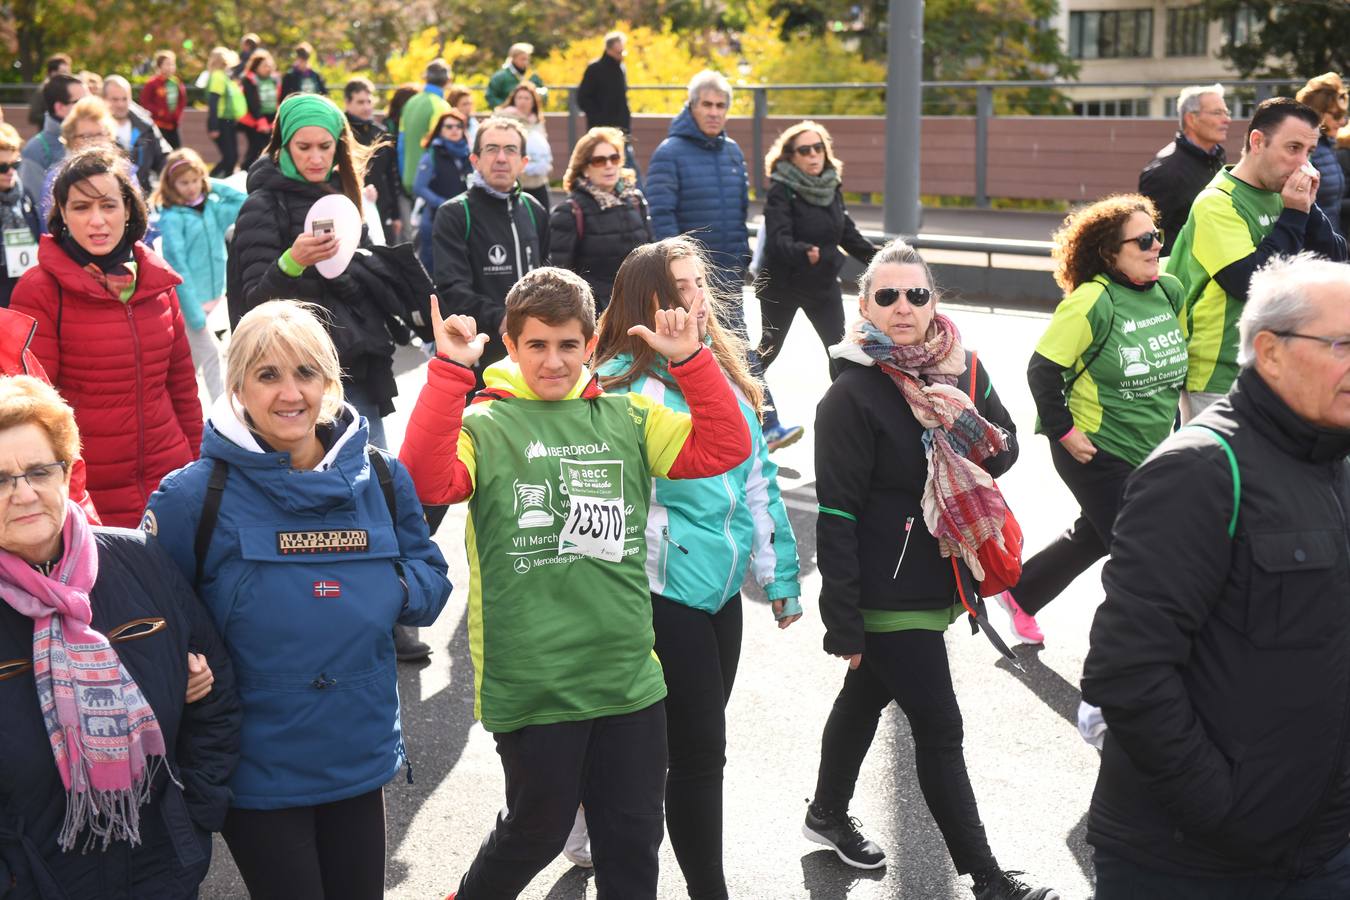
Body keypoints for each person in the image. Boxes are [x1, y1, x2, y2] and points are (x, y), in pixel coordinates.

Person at [400, 264, 750, 900]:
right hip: (534, 679)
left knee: (633, 843)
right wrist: (450, 371)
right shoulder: (486, 423)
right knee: (536, 830)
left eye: (568, 345)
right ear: (510, 345)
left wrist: (692, 359)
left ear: (591, 346)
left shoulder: (629, 417)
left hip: (628, 678)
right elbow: (425, 482)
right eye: (537, 344)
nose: (553, 360)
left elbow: (724, 448)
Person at [146, 300, 452, 900]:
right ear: (237, 388)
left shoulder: (382, 479)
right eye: (267, 375)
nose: (290, 393)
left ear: (331, 384)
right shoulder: (190, 497)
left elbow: (431, 581)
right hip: (256, 765)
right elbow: (153, 613)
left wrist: (384, 591)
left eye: (306, 374)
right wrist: (178, 664)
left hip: (358, 752)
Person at [1081, 253, 1350, 898]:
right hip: (1194, 861)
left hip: (1323, 845)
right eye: (1343, 344)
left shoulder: (1335, 460)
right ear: (1271, 351)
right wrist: (1224, 810)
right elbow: (1127, 672)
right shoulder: (1201, 469)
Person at [804, 238, 1056, 900]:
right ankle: (989, 880)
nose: (903, 306)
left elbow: (1005, 451)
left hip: (939, 573)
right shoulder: (850, 398)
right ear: (864, 307)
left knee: (868, 694)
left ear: (933, 300)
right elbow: (837, 517)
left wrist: (966, 436)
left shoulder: (960, 370)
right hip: (887, 591)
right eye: (886, 296)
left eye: (916, 294)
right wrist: (845, 622)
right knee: (941, 728)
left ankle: (826, 812)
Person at [592, 237, 802, 899]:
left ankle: (595, 825)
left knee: (690, 752)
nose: (696, 300)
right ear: (645, 302)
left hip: (718, 596)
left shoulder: (718, 371)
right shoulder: (616, 383)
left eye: (699, 285)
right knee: (695, 753)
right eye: (678, 288)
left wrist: (780, 575)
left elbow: (758, 481)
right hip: (656, 596)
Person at [0, 375, 241, 899]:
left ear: (68, 473)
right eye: (0, 479)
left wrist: (193, 818)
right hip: (37, 882)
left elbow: (216, 691)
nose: (22, 493)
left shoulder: (139, 560)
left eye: (38, 471)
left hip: (161, 871)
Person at [994, 195, 1187, 644]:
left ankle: (1021, 593)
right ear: (1109, 252)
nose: (1155, 245)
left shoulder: (1168, 291)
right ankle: (1130, 658)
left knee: (1097, 535)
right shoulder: (1091, 301)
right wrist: (1065, 432)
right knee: (1142, 552)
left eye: (1156, 235)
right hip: (1095, 448)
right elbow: (1042, 369)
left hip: (1150, 447)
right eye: (1142, 240)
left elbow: (1170, 365)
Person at [11, 147, 202, 528]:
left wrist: (198, 468)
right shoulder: (40, 291)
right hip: (90, 499)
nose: (97, 221)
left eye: (108, 205)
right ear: (62, 214)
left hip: (171, 482)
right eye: (81, 208)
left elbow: (182, 388)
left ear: (128, 209)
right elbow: (32, 413)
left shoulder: (158, 283)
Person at [647, 70, 802, 450]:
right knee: (698, 351)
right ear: (692, 105)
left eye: (721, 106)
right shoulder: (669, 153)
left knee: (733, 347)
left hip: (727, 271)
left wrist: (741, 258)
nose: (715, 112)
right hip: (687, 277)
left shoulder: (732, 152)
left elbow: (738, 211)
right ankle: (749, 426)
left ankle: (759, 425)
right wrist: (675, 272)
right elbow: (661, 215)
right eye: (707, 104)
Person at [1167, 96, 1348, 421]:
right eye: (1293, 149)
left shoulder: (1286, 194)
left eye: (1309, 152)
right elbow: (1249, 283)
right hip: (1220, 374)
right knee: (1223, 471)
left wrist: (1310, 208)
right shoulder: (1217, 202)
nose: (1303, 165)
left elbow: (1334, 261)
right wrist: (1294, 214)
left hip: (1278, 367)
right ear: (1257, 142)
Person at [431, 115, 549, 389]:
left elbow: (547, 277)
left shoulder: (535, 210)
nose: (501, 158)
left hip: (534, 354)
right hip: (482, 357)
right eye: (491, 149)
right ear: (475, 160)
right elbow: (452, 288)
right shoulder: (456, 213)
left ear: (523, 162)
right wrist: (500, 319)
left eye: (510, 150)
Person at [756, 120, 876, 378]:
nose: (813, 154)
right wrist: (804, 251)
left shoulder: (831, 188)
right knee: (768, 351)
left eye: (818, 148)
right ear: (791, 157)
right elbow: (778, 240)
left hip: (822, 285)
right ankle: (727, 401)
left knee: (841, 352)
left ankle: (845, 413)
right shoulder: (781, 190)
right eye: (804, 150)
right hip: (782, 286)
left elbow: (847, 233)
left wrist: (883, 260)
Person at [152, 148, 246, 401]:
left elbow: (242, 201)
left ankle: (172, 400)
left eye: (195, 180)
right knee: (212, 355)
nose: (192, 187)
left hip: (215, 297)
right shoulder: (172, 218)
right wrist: (192, 312)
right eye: (184, 182)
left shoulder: (210, 209)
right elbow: (177, 266)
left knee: (189, 361)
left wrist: (210, 183)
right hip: (191, 302)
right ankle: (221, 412)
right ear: (172, 185)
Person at [548, 125, 651, 313]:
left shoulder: (636, 201)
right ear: (584, 168)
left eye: (614, 158)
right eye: (599, 160)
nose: (609, 165)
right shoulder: (570, 212)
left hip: (640, 308)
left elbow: (651, 259)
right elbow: (561, 277)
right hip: (597, 313)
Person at [1138, 84, 1230, 256]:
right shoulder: (1164, 171)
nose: (1226, 120)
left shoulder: (1217, 159)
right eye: (1217, 113)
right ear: (1191, 119)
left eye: (1226, 112)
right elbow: (1151, 235)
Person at [38, 96, 127, 227]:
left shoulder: (126, 173)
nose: (95, 142)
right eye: (86, 136)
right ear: (71, 140)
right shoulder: (57, 179)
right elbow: (50, 228)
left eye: (100, 134)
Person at [413, 109, 472, 274]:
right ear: (440, 130)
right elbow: (419, 187)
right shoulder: (432, 154)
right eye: (449, 126)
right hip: (434, 218)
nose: (454, 130)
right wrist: (443, 203)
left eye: (458, 126)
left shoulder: (468, 154)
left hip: (463, 217)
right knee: (431, 265)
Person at [345, 76, 401, 242]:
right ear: (348, 103)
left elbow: (392, 175)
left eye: (369, 101)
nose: (366, 107)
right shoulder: (339, 131)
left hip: (382, 207)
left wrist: (396, 214)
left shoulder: (381, 133)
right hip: (350, 206)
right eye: (360, 102)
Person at [1295, 72, 1349, 242]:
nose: (1342, 122)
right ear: (1318, 113)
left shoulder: (1327, 146)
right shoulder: (1306, 151)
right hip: (1313, 248)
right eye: (1336, 115)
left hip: (1331, 242)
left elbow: (1333, 205)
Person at [19, 72, 86, 203]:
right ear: (60, 107)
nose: (89, 107)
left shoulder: (100, 137)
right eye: (81, 102)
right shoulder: (36, 150)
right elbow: (38, 205)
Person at [103, 74, 168, 193]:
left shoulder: (146, 126)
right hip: (110, 196)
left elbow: (163, 157)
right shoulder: (96, 129)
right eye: (115, 99)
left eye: (125, 99)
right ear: (103, 99)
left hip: (144, 196)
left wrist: (178, 170)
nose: (121, 104)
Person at [0, 123, 40, 309]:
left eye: (15, 164)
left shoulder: (24, 195)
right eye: (2, 167)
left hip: (25, 285)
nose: (10, 172)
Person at [398, 59, 452, 196]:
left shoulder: (410, 102)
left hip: (409, 179)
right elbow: (441, 146)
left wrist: (406, 176)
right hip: (431, 184)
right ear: (448, 80)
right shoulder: (441, 105)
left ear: (425, 78)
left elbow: (401, 145)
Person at [496, 81, 552, 212]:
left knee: (543, 215)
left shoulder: (537, 121)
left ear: (533, 102)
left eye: (527, 98)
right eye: (519, 98)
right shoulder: (505, 118)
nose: (523, 101)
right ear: (513, 100)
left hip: (538, 180)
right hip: (516, 180)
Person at [204, 47, 247, 177]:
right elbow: (213, 102)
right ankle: (209, 181)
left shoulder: (224, 76)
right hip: (220, 121)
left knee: (232, 157)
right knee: (229, 157)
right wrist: (214, 126)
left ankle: (225, 182)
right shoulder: (218, 76)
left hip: (227, 120)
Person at [239, 50, 281, 173]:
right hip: (253, 121)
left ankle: (264, 172)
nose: (267, 69)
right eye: (264, 66)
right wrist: (260, 119)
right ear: (256, 67)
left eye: (269, 66)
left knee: (270, 149)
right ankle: (245, 171)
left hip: (270, 120)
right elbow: (252, 102)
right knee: (255, 149)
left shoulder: (274, 80)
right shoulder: (249, 80)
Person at [138, 51, 186, 150]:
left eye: (172, 64)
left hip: (173, 126)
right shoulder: (152, 83)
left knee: (176, 151)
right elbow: (145, 102)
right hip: (158, 125)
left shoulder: (176, 83)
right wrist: (160, 112)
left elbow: (181, 101)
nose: (170, 67)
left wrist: (176, 115)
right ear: (159, 66)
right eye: (167, 64)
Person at [484, 42, 546, 111]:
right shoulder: (500, 76)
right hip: (507, 115)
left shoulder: (533, 76)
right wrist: (506, 107)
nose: (525, 62)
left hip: (529, 115)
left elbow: (544, 93)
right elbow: (490, 96)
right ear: (513, 58)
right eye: (522, 59)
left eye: (527, 59)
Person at [26, 54, 72, 128]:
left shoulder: (70, 91)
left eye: (68, 72)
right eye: (63, 72)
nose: (67, 76)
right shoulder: (42, 91)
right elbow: (33, 117)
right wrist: (56, 116)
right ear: (53, 73)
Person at [447, 84, 480, 151]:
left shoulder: (473, 123)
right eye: (464, 104)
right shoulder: (448, 126)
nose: (468, 107)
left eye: (470, 103)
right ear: (454, 106)